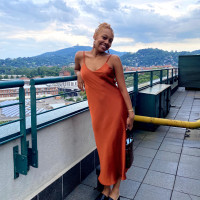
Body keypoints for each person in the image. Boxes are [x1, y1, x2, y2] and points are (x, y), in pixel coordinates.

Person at [74, 22, 134, 200]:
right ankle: (106, 186)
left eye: (110, 40)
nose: (107, 42)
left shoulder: (113, 59)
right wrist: (78, 74)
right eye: (104, 37)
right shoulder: (80, 56)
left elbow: (123, 88)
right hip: (97, 114)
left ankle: (114, 189)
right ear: (95, 37)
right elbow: (77, 68)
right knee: (104, 150)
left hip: (115, 110)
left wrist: (130, 112)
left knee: (115, 149)